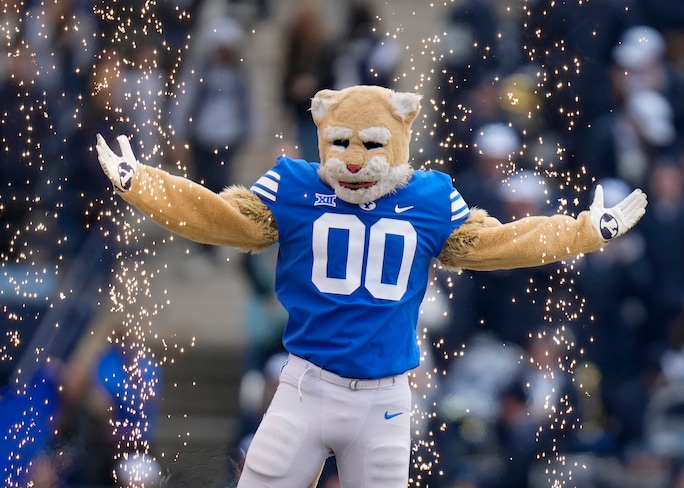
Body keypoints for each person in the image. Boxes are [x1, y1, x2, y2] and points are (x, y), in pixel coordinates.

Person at [95, 84, 647, 487]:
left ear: (401, 137)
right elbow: (219, 217)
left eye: (372, 145)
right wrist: (143, 183)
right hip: (306, 387)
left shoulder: (428, 197)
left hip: (384, 398)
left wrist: (580, 233)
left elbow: (497, 243)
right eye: (341, 142)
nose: (355, 161)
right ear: (321, 135)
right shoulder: (295, 185)